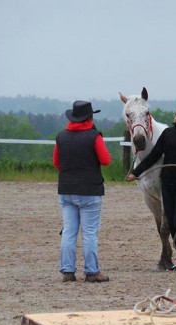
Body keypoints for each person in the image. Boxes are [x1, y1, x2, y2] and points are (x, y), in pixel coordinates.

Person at [126, 100, 176, 271]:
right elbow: (154, 155)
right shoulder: (168, 133)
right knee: (170, 220)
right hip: (167, 182)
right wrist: (135, 173)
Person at [53, 100, 111, 283]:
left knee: (69, 232)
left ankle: (68, 271)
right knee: (89, 233)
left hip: (66, 190)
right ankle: (92, 271)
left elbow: (57, 164)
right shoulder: (94, 136)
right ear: (90, 117)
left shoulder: (60, 137)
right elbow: (106, 160)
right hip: (90, 191)